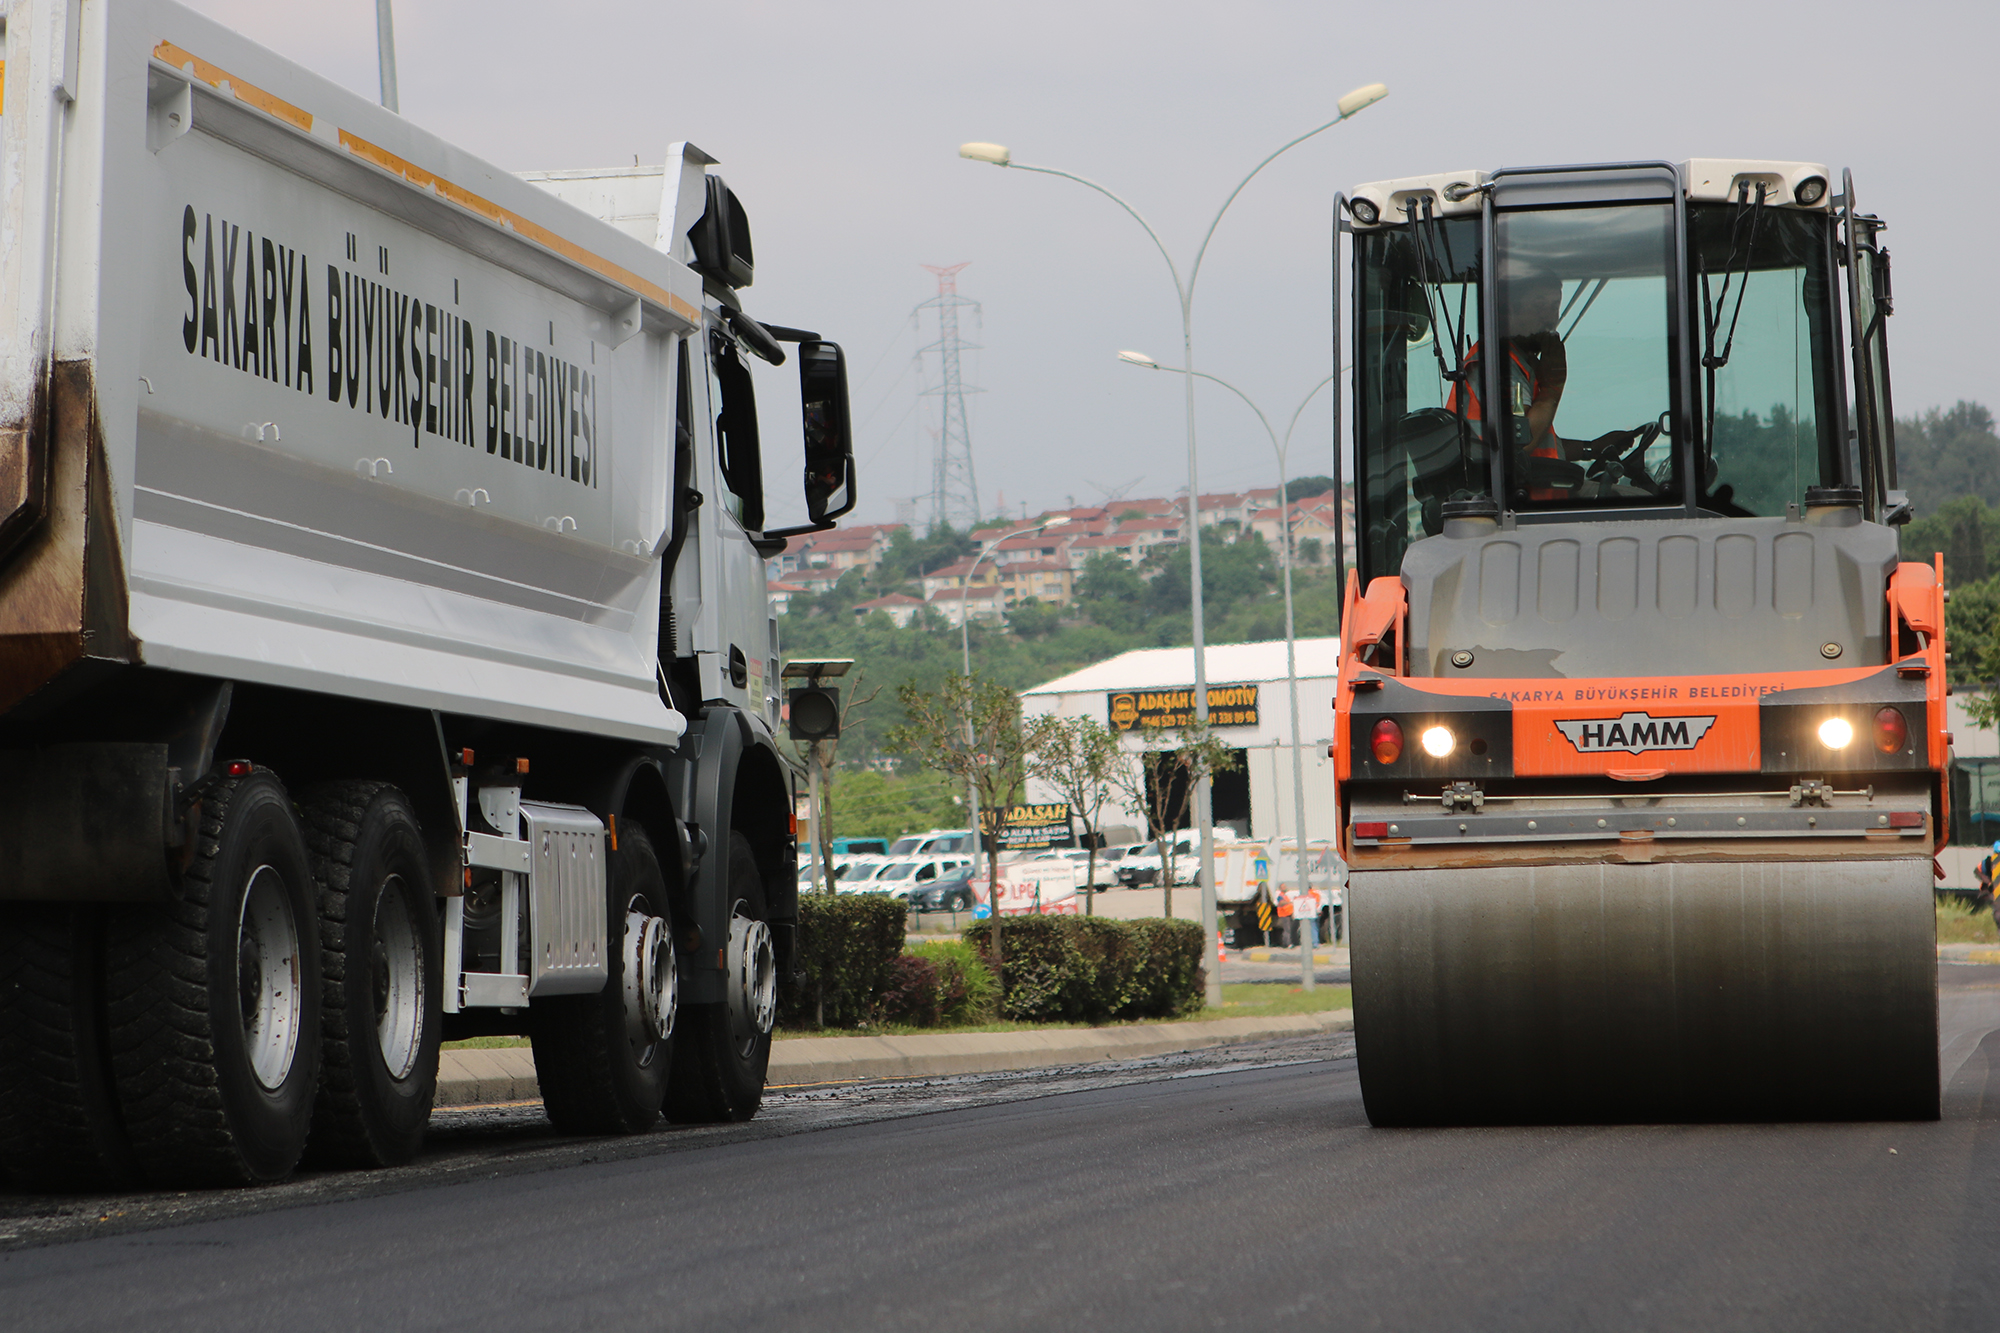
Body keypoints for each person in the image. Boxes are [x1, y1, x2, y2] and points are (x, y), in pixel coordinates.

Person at [1445, 263, 1570, 499]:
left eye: (1554, 306)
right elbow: (1521, 442)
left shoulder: (1519, 362)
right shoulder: (1499, 365)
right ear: (1509, 309)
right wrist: (1552, 389)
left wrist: (1590, 448)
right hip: (1521, 504)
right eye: (1539, 306)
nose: (1550, 317)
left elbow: (1543, 442)